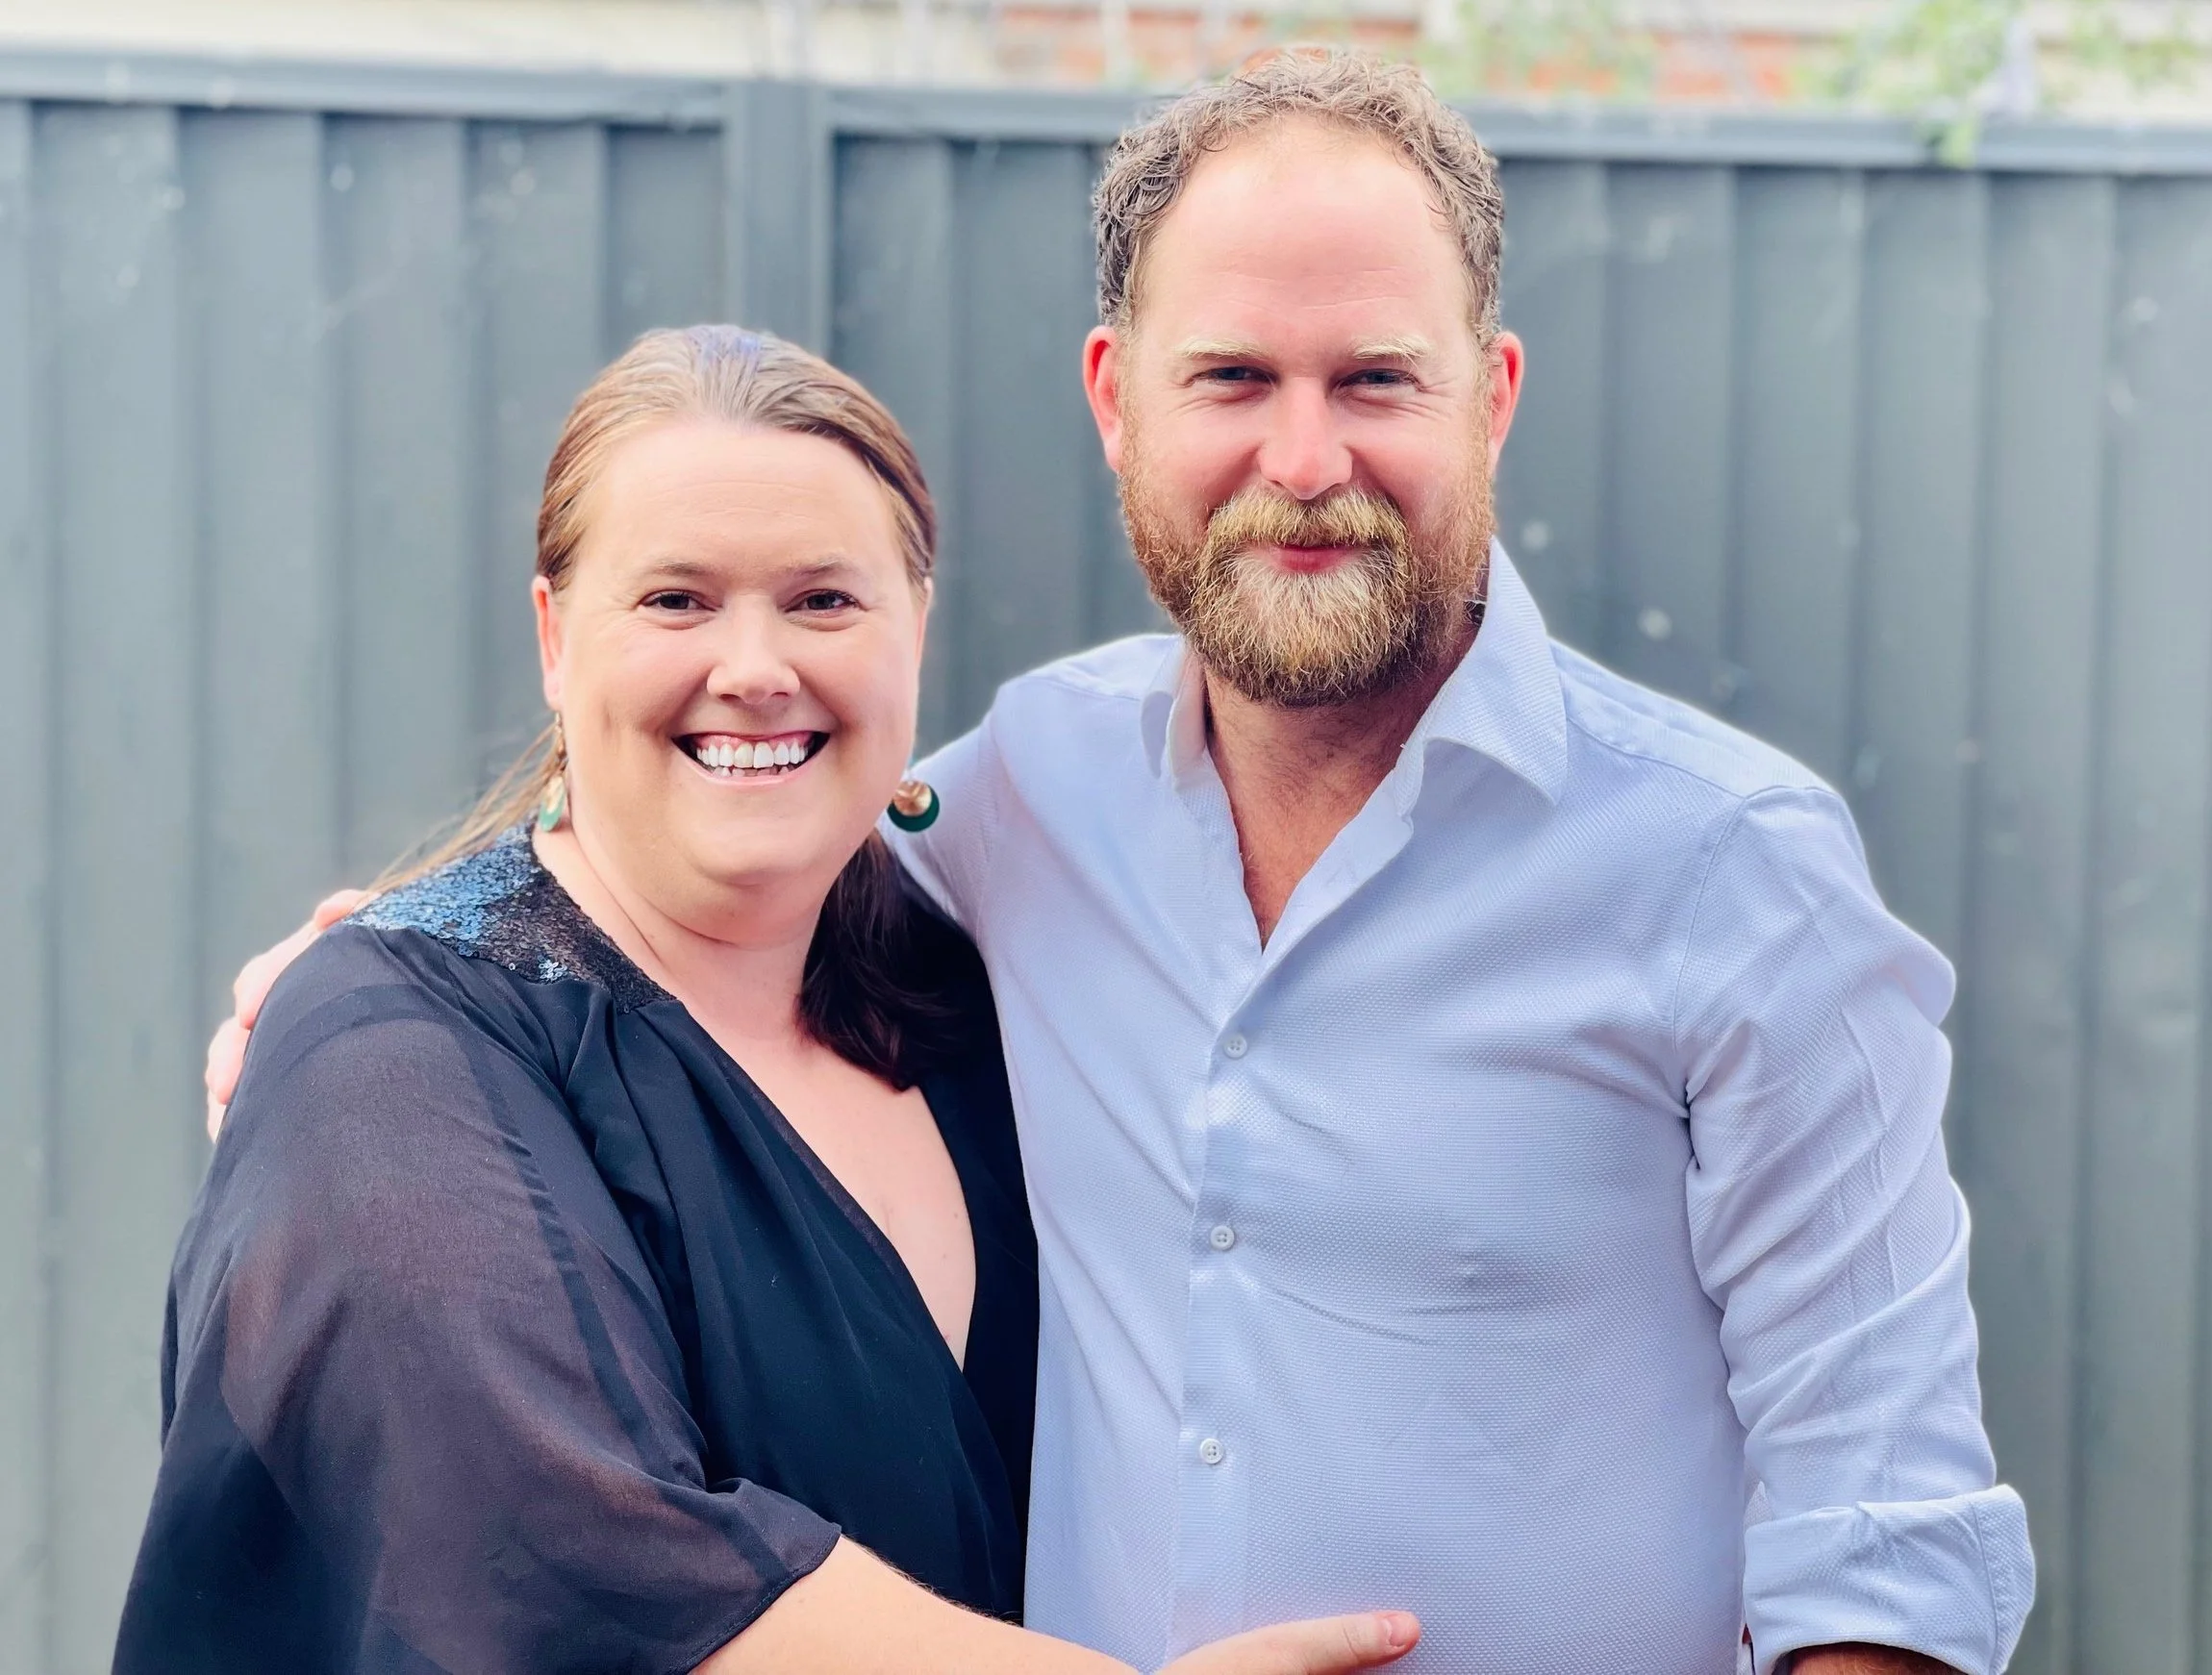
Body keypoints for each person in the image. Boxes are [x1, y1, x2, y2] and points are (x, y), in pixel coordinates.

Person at [213, 52, 2036, 1675]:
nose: (1302, 457)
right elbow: (710, 838)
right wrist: (377, 991)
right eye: (1231, 376)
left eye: (1374, 380)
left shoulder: (1735, 871)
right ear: (1116, 399)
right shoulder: (1025, 796)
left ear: (1489, 395)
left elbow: (1885, 1535)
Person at [126, 325, 1420, 1675]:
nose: (755, 665)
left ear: (915, 627)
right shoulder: (391, 1050)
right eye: (677, 600)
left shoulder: (978, 988)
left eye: (821, 601)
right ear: (556, 635)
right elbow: (577, 1563)